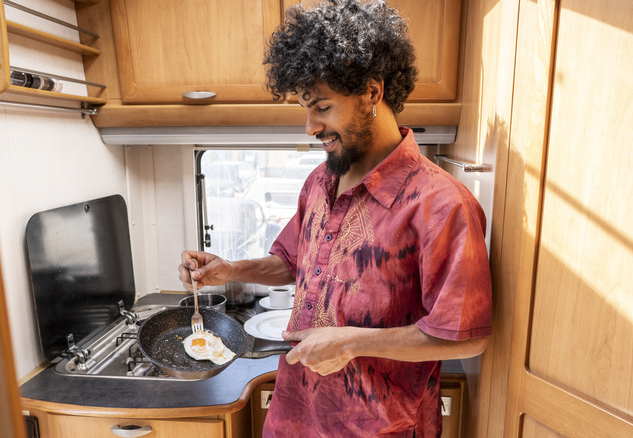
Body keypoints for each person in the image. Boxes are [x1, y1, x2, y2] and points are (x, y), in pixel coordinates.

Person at [178, 1, 492, 436]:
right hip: (296, 414)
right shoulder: (320, 183)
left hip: (380, 428)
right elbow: (295, 263)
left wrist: (351, 341)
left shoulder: (441, 204)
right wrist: (230, 270)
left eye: (322, 107)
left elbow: (466, 336)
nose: (309, 126)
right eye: (305, 108)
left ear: (372, 92)